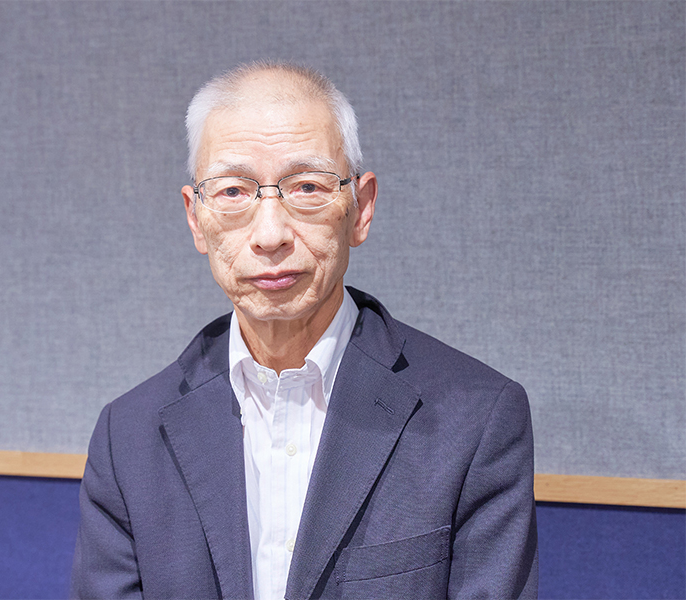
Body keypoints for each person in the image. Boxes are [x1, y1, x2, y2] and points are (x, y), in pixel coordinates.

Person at [71, 61, 538, 600]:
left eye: (307, 186)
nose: (270, 234)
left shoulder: (475, 418)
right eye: (233, 191)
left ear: (360, 209)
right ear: (196, 218)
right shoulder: (128, 436)